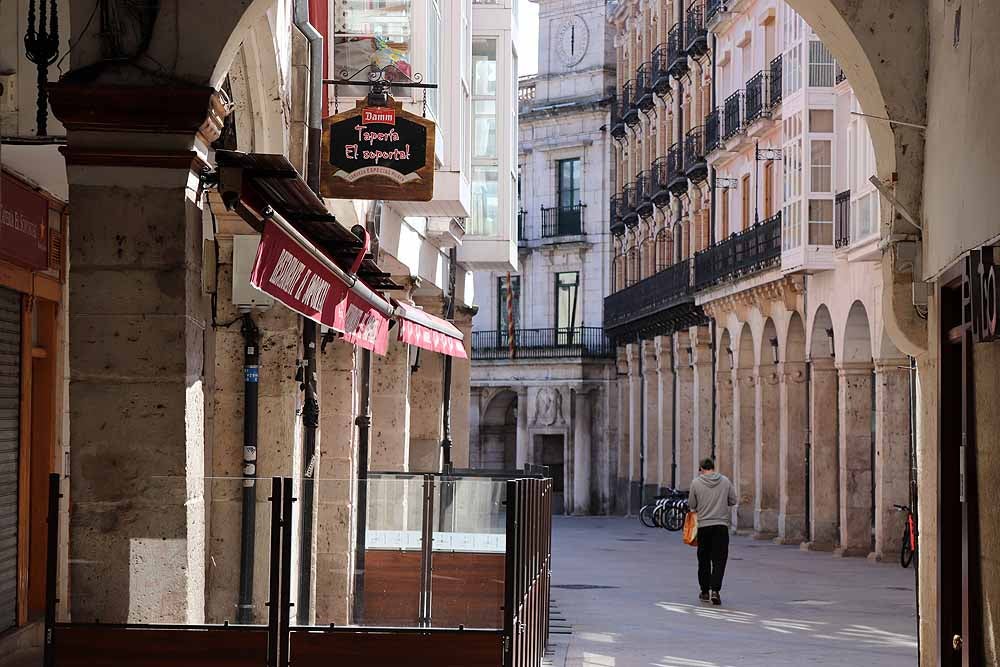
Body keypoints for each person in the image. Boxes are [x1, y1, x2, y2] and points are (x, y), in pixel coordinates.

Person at [687, 457, 737, 606]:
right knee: (719, 560)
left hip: (703, 526)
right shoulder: (726, 481)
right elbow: (733, 500)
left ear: (702, 468)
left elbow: (692, 505)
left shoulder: (696, 483)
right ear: (713, 467)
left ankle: (704, 591)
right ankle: (715, 590)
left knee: (703, 560)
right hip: (721, 526)